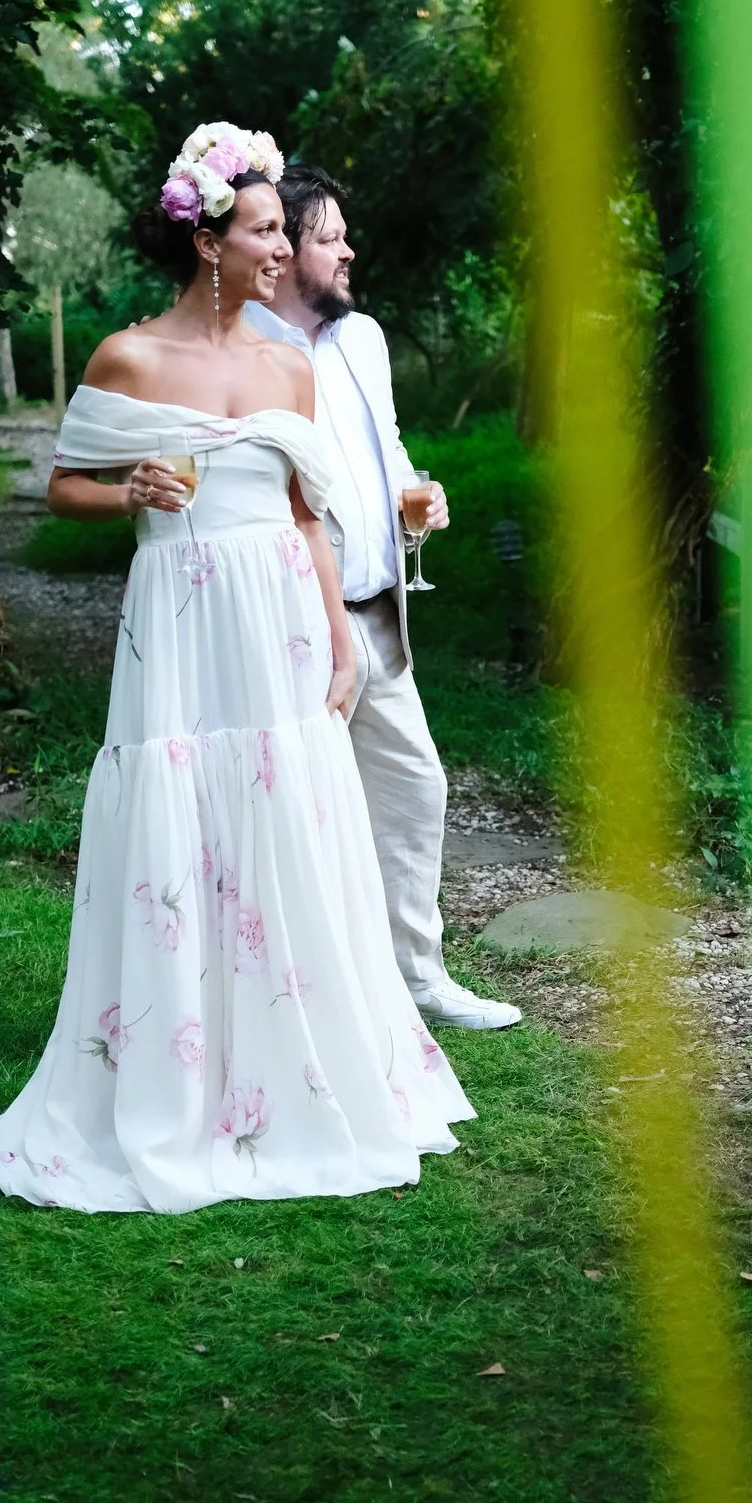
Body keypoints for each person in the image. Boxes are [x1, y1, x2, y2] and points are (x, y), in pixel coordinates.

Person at [0, 123, 474, 1213]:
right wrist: (130, 493)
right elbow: (64, 487)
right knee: (182, 813)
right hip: (182, 611)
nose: (283, 251)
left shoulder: (291, 367)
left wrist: (342, 642)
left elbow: (311, 512)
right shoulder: (129, 359)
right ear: (210, 242)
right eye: (265, 232)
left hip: (282, 612)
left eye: (286, 235)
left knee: (289, 815)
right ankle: (175, 1059)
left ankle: (294, 1051)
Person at [246, 164, 522, 1032]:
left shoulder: (361, 337)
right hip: (295, 629)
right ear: (284, 251)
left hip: (377, 612)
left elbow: (388, 449)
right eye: (329, 238)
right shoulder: (243, 351)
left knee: (416, 788)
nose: (347, 250)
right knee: (292, 810)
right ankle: (293, 996)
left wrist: (418, 498)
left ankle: (417, 981)